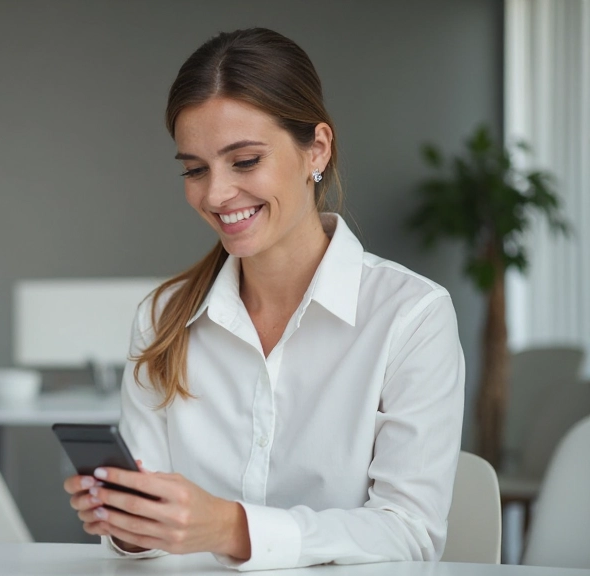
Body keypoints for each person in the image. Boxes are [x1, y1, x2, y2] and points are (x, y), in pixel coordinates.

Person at [63, 28, 464, 571]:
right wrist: (132, 524)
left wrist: (232, 529)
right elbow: (150, 546)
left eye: (246, 161)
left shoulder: (410, 316)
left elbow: (410, 532)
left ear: (316, 149)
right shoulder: (162, 319)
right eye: (194, 169)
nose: (215, 194)